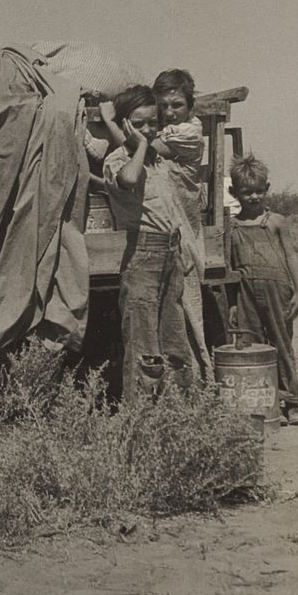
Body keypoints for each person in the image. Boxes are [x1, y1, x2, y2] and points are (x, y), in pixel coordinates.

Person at [100, 85, 195, 404]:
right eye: (138, 123)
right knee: (144, 350)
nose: (147, 129)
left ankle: (180, 416)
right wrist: (139, 143)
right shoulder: (117, 160)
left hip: (170, 253)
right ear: (125, 125)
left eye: (152, 122)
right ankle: (142, 423)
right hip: (142, 257)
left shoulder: (159, 160)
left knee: (176, 342)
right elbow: (128, 179)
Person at [228, 153, 298, 425]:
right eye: (246, 192)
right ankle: (266, 403)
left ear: (267, 190)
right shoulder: (231, 227)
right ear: (233, 192)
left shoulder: (276, 221)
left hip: (278, 289)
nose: (253, 197)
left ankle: (293, 402)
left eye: (258, 191)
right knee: (252, 343)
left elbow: (291, 256)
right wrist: (232, 303)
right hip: (245, 291)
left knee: (282, 342)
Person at [149, 68, 211, 377]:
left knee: (190, 319)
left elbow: (144, 149)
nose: (170, 113)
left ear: (190, 107)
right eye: (163, 106)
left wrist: (110, 122)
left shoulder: (189, 133)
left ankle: (202, 384)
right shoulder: (162, 132)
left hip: (184, 238)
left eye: (177, 105)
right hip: (163, 236)